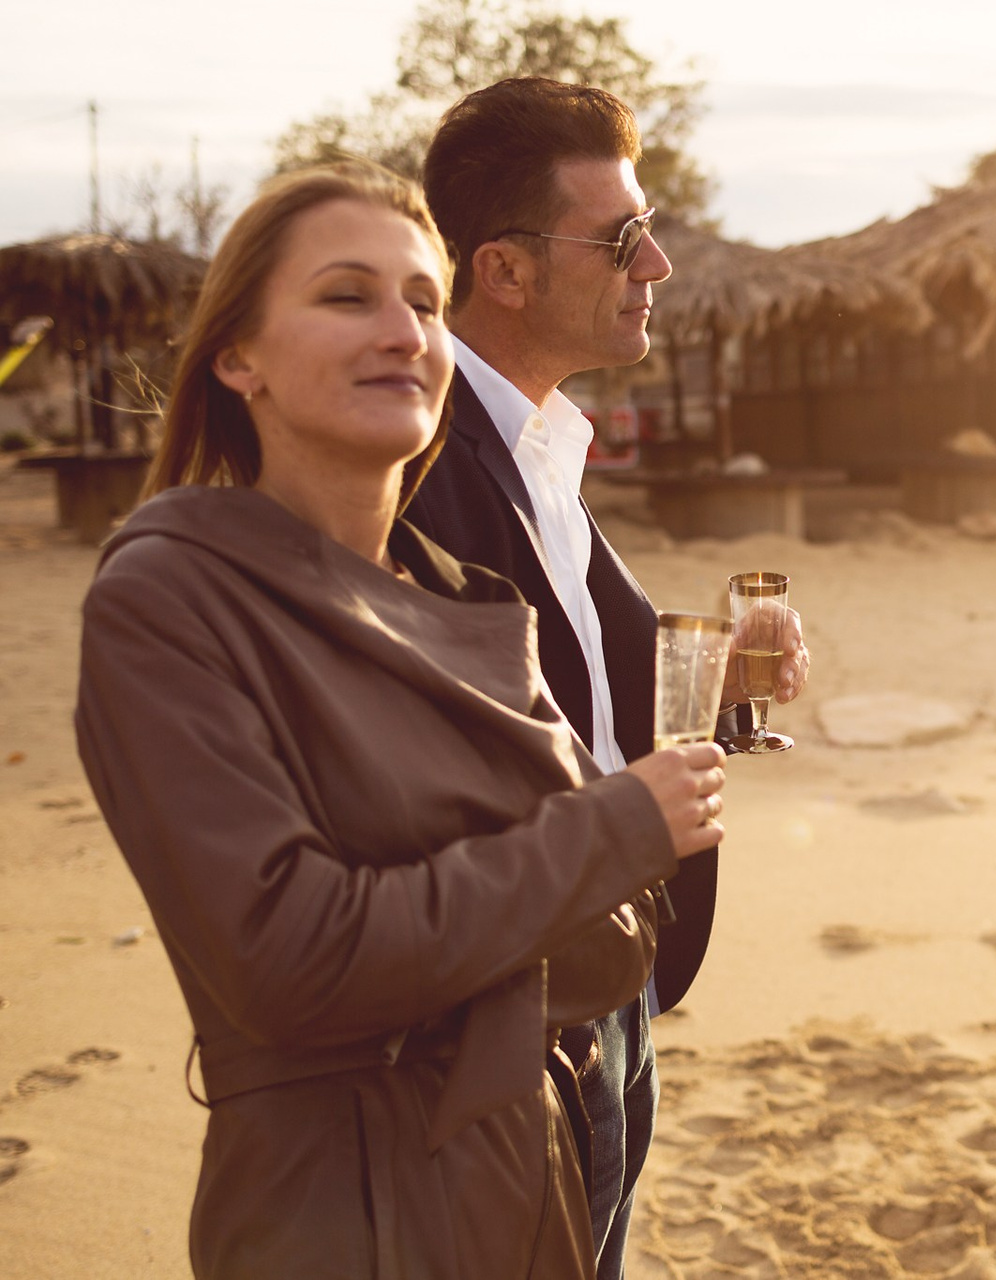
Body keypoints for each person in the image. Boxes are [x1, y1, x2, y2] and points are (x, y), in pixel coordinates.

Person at [73, 163, 727, 1277]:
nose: (403, 331)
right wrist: (605, 831)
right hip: (344, 1211)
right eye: (347, 296)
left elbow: (613, 947)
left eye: (424, 303)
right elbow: (292, 961)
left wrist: (446, 931)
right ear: (237, 356)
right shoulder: (170, 596)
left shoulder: (470, 600)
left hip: (535, 1175)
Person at [402, 76, 810, 1277]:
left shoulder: (538, 444)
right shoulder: (419, 466)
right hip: (515, 1009)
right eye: (623, 236)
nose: (658, 264)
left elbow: (584, 695)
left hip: (608, 978)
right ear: (504, 269)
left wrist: (721, 678)